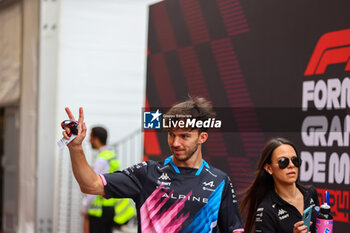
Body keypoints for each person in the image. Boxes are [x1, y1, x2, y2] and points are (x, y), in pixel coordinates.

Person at [63, 97, 244, 233]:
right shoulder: (147, 173)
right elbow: (90, 185)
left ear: (202, 137)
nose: (175, 142)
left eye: (184, 136)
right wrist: (76, 147)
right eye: (171, 134)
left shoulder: (220, 181)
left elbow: (234, 230)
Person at [239, 137, 319, 233]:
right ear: (269, 168)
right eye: (283, 162)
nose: (291, 165)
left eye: (295, 160)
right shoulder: (266, 210)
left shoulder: (311, 193)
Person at [82, 126, 135, 233]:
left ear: (96, 139)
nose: (88, 140)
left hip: (100, 210)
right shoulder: (111, 155)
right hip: (110, 207)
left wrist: (84, 207)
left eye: (90, 137)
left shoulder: (101, 159)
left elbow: (94, 185)